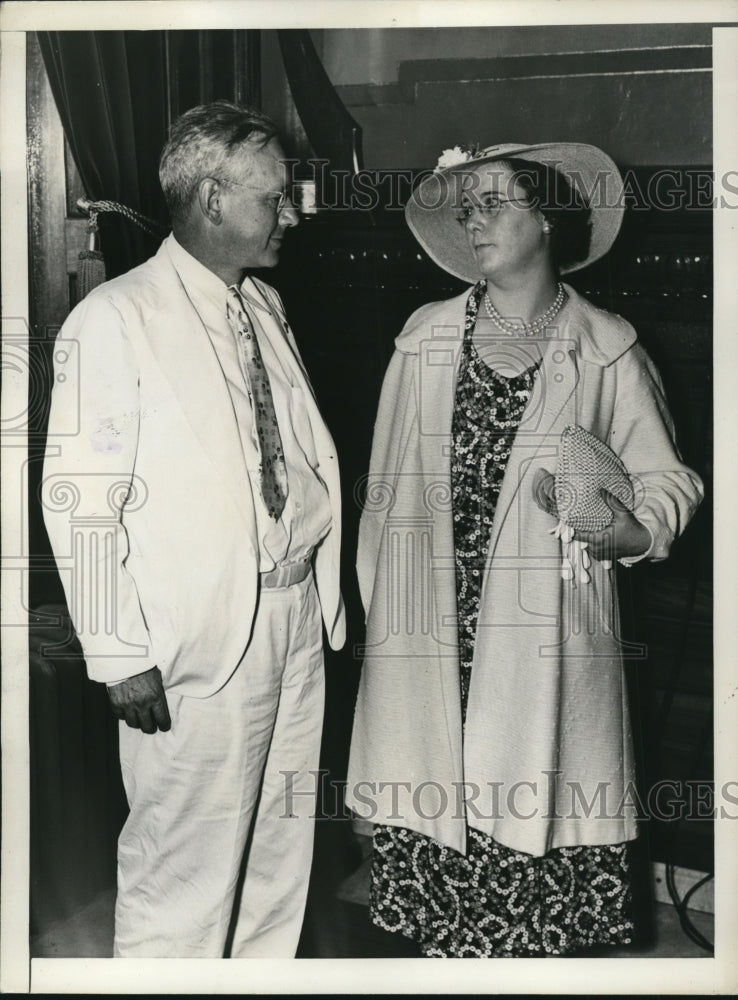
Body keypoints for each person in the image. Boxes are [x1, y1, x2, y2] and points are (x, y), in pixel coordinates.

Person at [346, 142, 703, 957]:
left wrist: (635, 532)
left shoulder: (607, 345)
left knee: (535, 839)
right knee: (436, 847)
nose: (474, 219)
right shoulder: (423, 339)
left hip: (548, 644)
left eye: (494, 202)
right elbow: (383, 491)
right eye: (466, 207)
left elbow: (666, 478)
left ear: (550, 219)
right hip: (431, 633)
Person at [42, 101, 345, 958]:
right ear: (211, 198)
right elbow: (79, 497)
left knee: (277, 868)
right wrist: (119, 654)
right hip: (196, 642)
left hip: (293, 624)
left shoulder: (264, 304)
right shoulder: (116, 318)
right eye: (276, 197)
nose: (291, 213)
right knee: (183, 877)